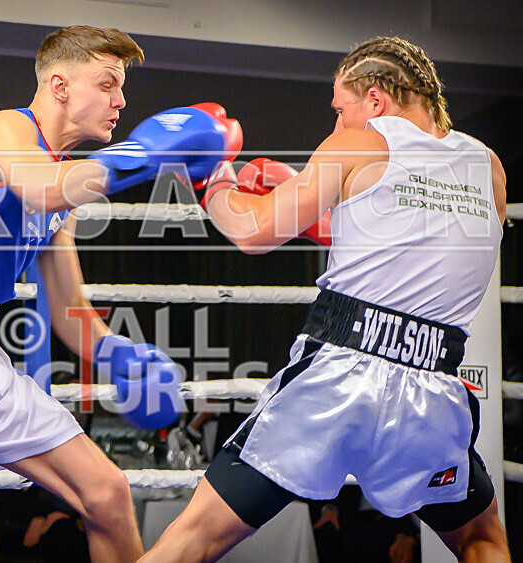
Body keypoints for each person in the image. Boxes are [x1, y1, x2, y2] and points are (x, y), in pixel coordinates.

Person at [0, 25, 238, 562]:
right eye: (107, 84)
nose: (121, 101)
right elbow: (38, 189)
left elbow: (71, 310)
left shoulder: (64, 187)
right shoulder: (6, 129)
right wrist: (143, 154)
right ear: (60, 86)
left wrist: (121, 355)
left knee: (107, 494)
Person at [141, 36, 510, 562]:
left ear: (376, 100)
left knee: (194, 538)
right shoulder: (489, 167)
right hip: (431, 391)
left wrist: (214, 178)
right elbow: (421, 251)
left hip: (337, 377)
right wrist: (329, 216)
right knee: (481, 539)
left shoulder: (355, 144)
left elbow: (251, 232)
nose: (336, 123)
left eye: (340, 109)